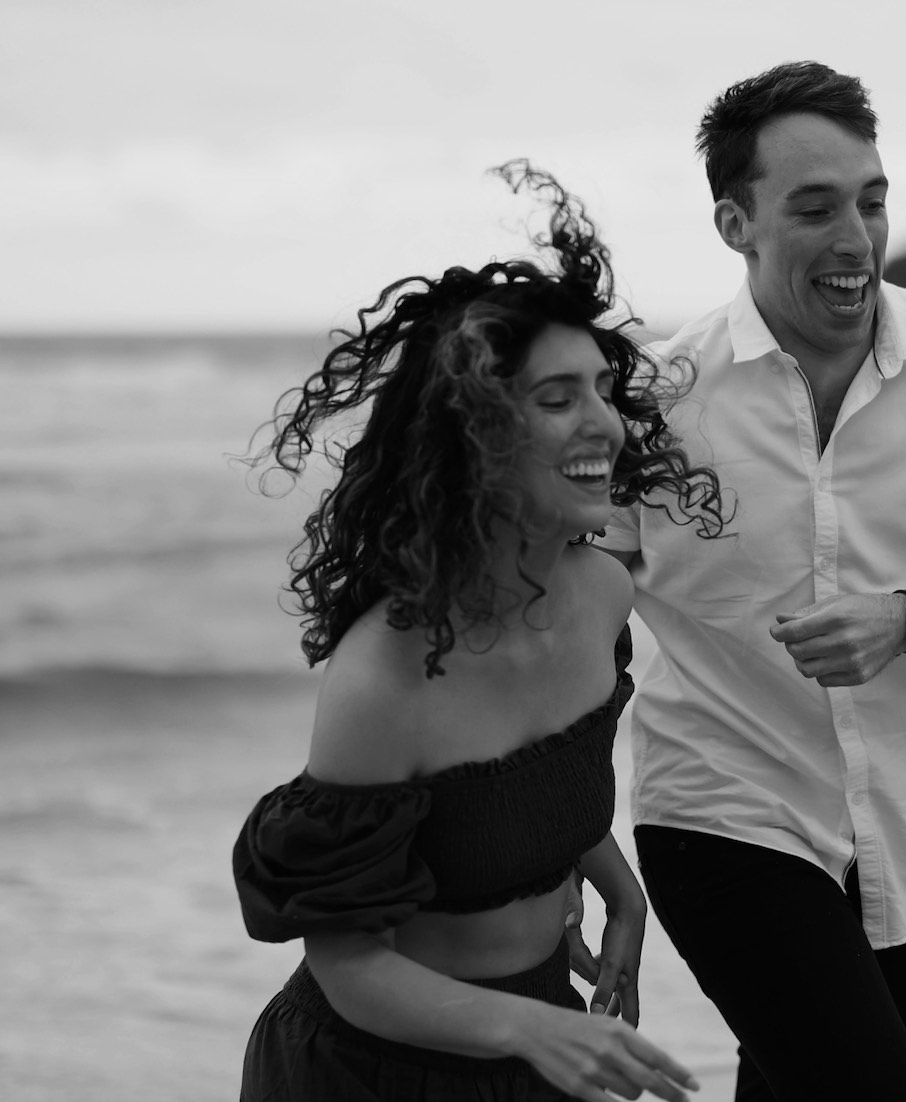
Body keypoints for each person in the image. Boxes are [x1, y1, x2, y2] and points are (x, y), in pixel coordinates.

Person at [595, 62, 906, 1101]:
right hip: (716, 810)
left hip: (902, 817)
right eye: (814, 209)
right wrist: (569, 853)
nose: (857, 239)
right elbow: (579, 637)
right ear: (736, 223)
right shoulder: (650, 403)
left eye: (871, 201)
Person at [231, 162, 725, 1101]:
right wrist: (531, 1028)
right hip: (372, 1072)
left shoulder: (603, 596)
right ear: (474, 435)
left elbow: (533, 785)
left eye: (602, 389)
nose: (606, 424)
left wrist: (620, 888)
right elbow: (350, 962)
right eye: (557, 399)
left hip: (539, 1039)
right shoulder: (386, 675)